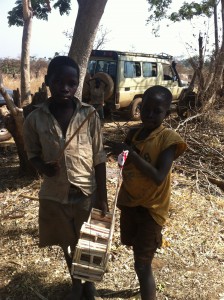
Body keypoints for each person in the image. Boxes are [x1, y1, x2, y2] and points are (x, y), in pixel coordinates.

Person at [23, 56, 108, 300]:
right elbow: (33, 154)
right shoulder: (34, 119)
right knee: (67, 243)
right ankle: (76, 283)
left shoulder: (89, 115)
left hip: (85, 194)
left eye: (71, 83)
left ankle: (88, 286)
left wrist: (102, 196)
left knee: (90, 244)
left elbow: (99, 157)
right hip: (55, 196)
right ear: (48, 81)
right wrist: (43, 168)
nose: (65, 88)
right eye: (59, 81)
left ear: (78, 84)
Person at [106, 85, 187, 300]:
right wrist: (119, 152)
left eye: (157, 111)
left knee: (142, 265)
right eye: (146, 109)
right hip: (131, 202)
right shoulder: (134, 133)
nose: (150, 114)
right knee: (137, 252)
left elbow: (159, 176)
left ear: (166, 114)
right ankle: (144, 284)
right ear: (140, 108)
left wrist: (131, 154)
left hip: (152, 208)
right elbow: (125, 162)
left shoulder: (168, 139)